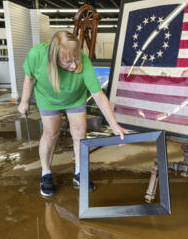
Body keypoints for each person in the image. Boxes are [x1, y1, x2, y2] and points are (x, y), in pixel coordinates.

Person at [17, 31, 128, 197]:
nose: (75, 65)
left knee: (80, 133)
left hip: (75, 97)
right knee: (51, 133)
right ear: (54, 57)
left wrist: (114, 124)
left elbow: (98, 95)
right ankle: (46, 173)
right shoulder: (36, 55)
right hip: (48, 98)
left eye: (76, 58)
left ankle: (79, 172)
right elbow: (29, 78)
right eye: (68, 61)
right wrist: (24, 101)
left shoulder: (83, 61)